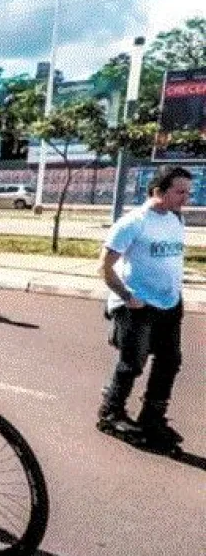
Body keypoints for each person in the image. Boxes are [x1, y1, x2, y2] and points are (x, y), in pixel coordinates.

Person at [96, 164, 191, 448]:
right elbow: (104, 267)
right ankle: (110, 413)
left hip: (170, 303)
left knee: (169, 361)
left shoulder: (176, 219)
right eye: (180, 192)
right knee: (132, 364)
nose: (186, 198)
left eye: (187, 192)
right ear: (159, 191)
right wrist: (127, 297)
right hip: (138, 304)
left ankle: (152, 416)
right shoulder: (133, 222)